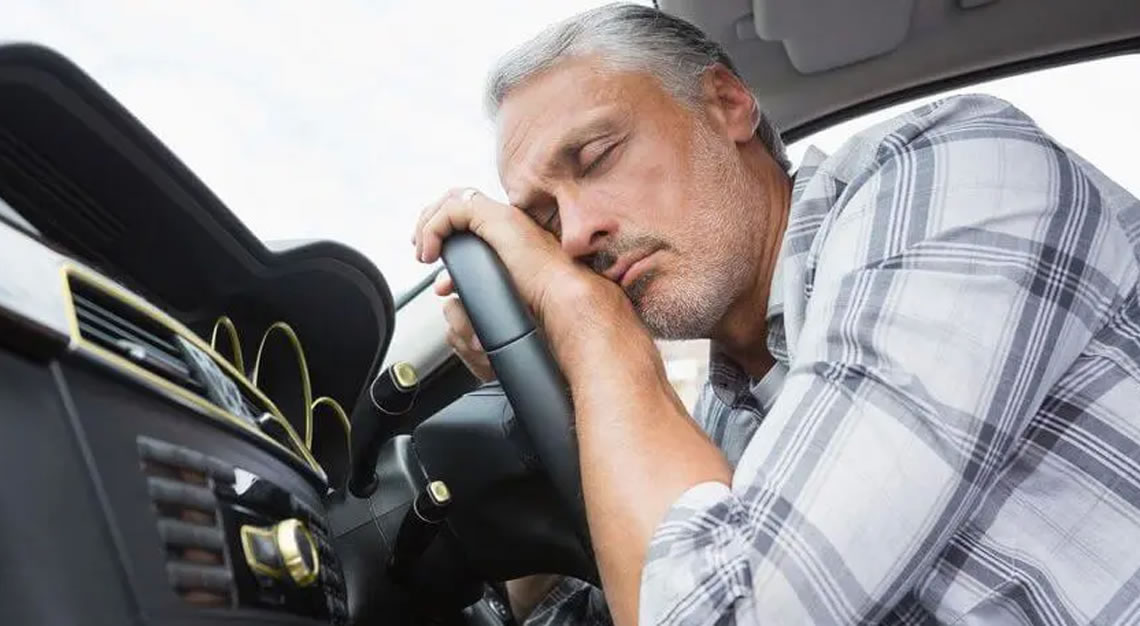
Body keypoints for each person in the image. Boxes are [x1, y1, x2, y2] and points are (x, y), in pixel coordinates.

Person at [412, 4, 1140, 625]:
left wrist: (589, 323)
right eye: (544, 219)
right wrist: (552, 400)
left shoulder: (947, 173)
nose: (574, 237)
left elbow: (723, 611)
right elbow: (600, 603)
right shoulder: (724, 420)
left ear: (727, 103)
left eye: (598, 157)